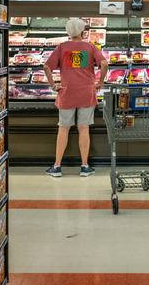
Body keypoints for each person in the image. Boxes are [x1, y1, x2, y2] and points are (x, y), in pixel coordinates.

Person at [43, 19, 108, 177]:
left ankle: (57, 166)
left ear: (68, 33)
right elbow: (104, 64)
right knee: (83, 128)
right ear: (83, 33)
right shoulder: (91, 47)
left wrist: (53, 85)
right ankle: (85, 166)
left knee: (64, 129)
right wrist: (100, 81)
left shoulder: (62, 47)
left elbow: (46, 67)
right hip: (86, 93)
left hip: (67, 94)